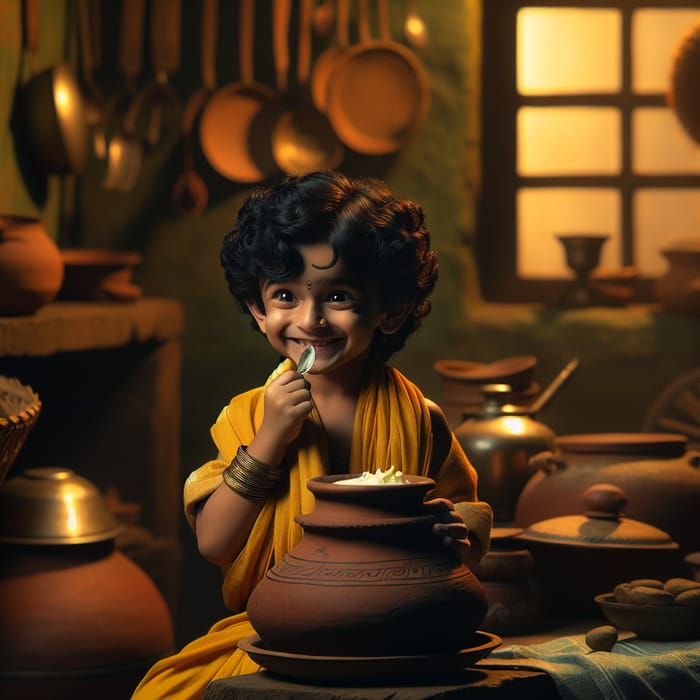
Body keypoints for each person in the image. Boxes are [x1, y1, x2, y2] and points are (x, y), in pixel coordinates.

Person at [132, 170, 492, 699]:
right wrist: (269, 441)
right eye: (285, 295)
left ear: (390, 310)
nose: (311, 319)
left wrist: (452, 535)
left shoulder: (421, 418)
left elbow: (465, 521)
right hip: (278, 637)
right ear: (258, 310)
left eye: (339, 296)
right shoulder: (249, 415)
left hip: (397, 637)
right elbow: (213, 542)